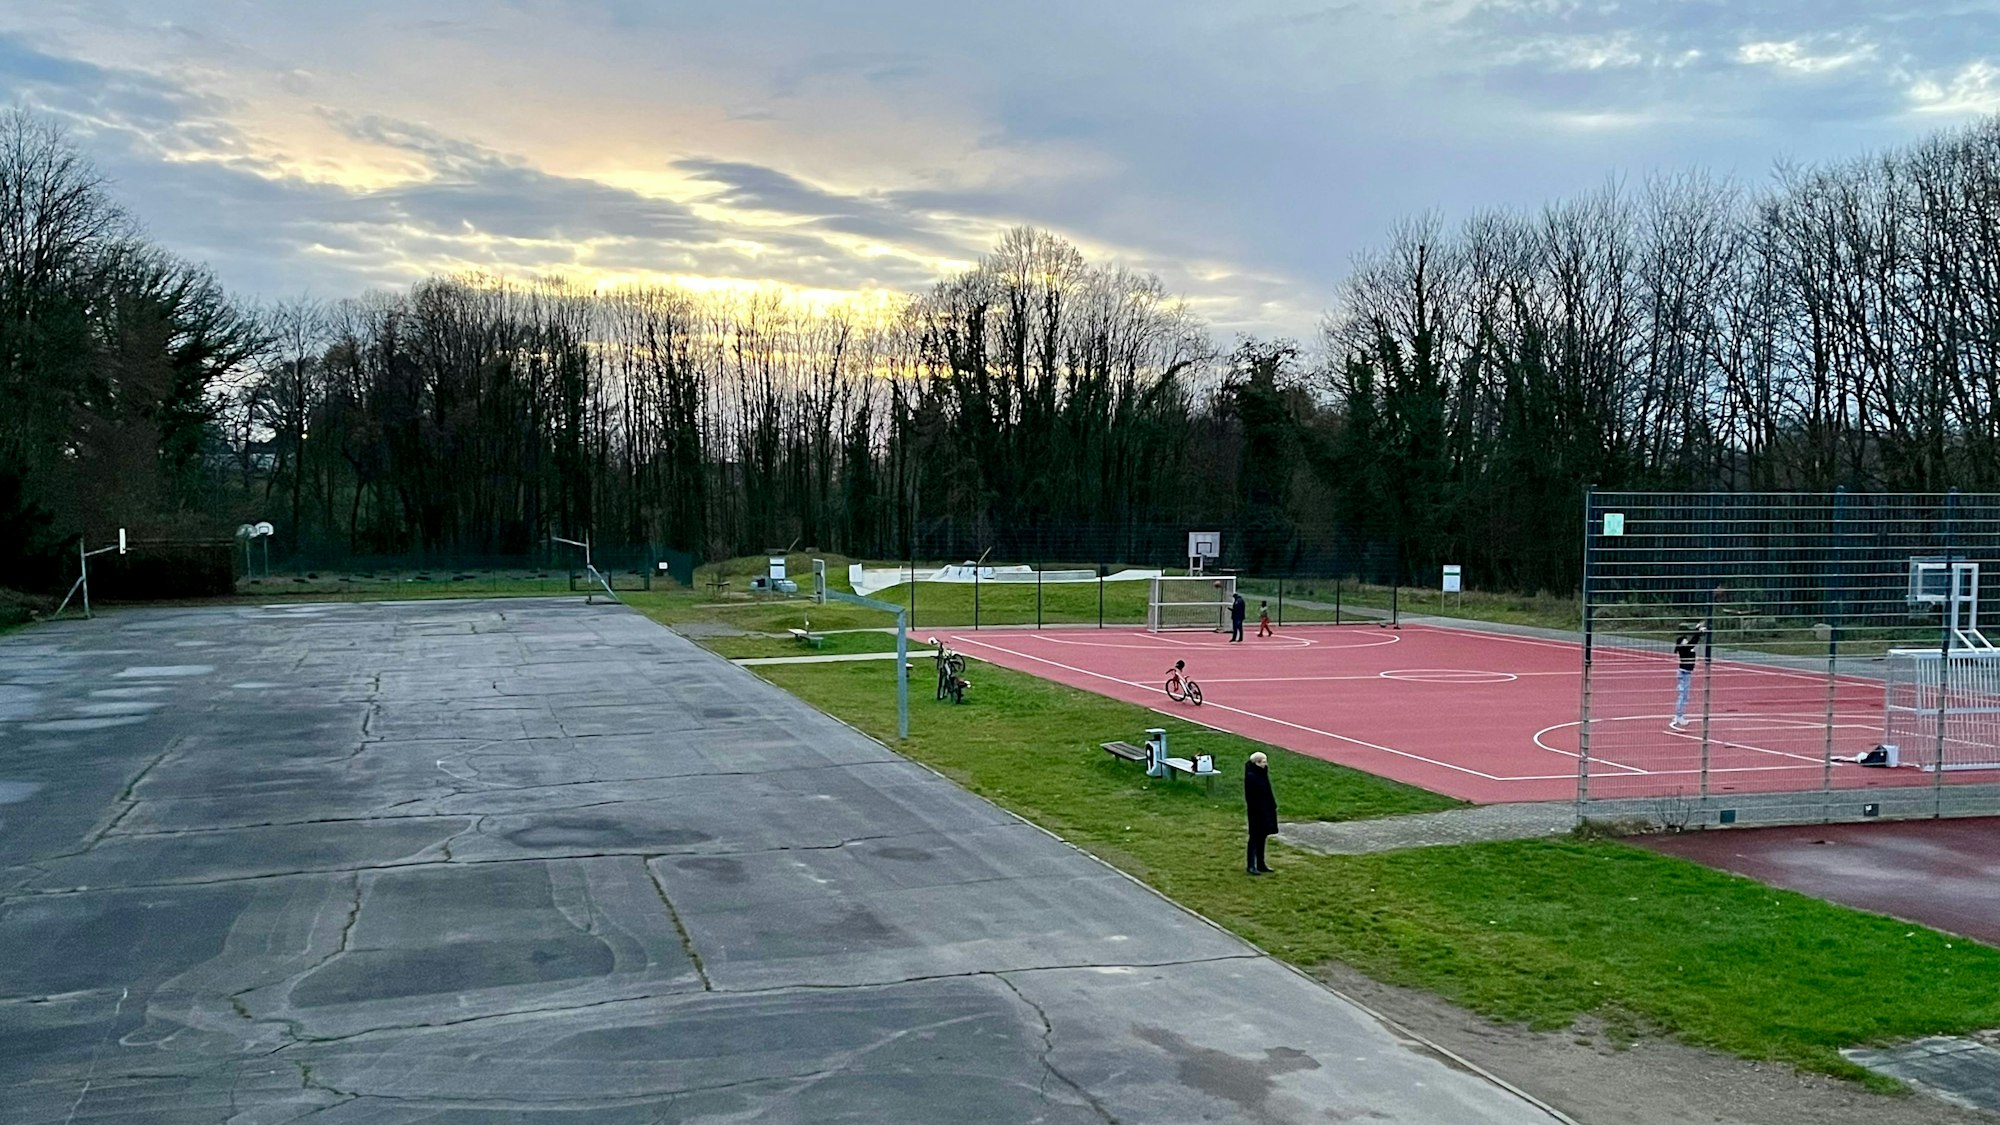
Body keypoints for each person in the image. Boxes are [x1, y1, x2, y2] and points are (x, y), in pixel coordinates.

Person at [1244, 751, 1277, 874]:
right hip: (1256, 812)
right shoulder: (1252, 776)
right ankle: (1251, 865)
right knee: (1254, 838)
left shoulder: (1261, 773)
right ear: (1257, 763)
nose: (1266, 764)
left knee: (1262, 837)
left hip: (1265, 809)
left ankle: (1261, 863)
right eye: (1263, 761)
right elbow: (1253, 797)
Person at [1671, 622, 1707, 729]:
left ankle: (1679, 714)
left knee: (1685, 696)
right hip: (1684, 673)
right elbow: (1693, 641)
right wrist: (1699, 632)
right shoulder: (1684, 649)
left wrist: (1697, 629)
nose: (1686, 640)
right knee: (1683, 696)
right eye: (1684, 640)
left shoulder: (1686, 647)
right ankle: (1679, 715)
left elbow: (1692, 641)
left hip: (1686, 673)